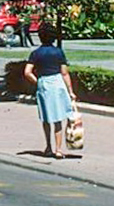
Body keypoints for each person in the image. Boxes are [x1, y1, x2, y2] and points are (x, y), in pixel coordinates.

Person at [23, 23, 76, 159]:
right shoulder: (58, 52)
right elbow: (64, 73)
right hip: (57, 83)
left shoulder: (36, 53)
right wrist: (70, 91)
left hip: (44, 84)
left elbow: (27, 72)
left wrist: (38, 82)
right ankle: (58, 150)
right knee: (58, 118)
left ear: (40, 37)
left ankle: (48, 147)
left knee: (46, 118)